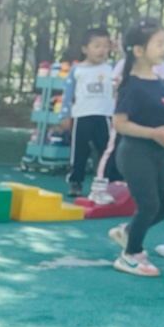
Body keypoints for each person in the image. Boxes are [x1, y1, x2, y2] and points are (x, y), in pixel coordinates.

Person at [108, 18, 164, 277]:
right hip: (135, 153)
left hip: (156, 152)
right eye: (159, 43)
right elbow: (119, 123)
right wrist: (153, 134)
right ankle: (130, 255)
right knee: (149, 204)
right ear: (138, 50)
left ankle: (128, 232)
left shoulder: (157, 80)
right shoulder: (131, 85)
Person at [58, 28, 120, 199]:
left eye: (106, 46)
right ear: (85, 49)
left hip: (104, 115)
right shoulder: (77, 69)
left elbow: (127, 66)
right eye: (97, 46)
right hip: (81, 116)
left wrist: (120, 50)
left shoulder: (111, 68)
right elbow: (68, 93)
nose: (102, 50)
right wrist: (65, 114)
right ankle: (76, 181)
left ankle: (112, 181)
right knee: (79, 151)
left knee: (107, 150)